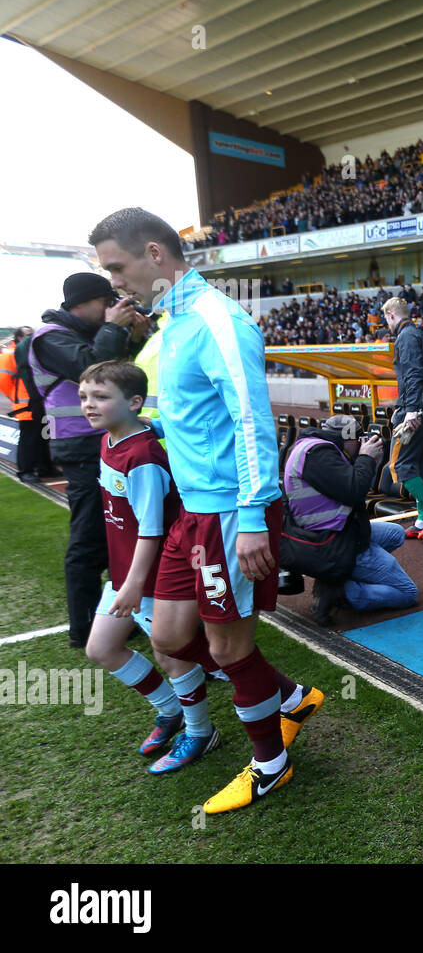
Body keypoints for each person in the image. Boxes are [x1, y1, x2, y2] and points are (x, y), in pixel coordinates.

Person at [91, 207, 322, 815]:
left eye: (117, 266)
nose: (113, 281)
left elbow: (251, 422)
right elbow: (198, 415)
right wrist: (153, 423)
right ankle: (290, 698)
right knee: (168, 635)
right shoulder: (173, 325)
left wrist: (251, 516)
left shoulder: (219, 319)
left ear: (156, 256)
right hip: (192, 514)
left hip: (226, 512)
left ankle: (270, 765)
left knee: (224, 649)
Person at [78, 360, 221, 774]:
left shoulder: (141, 456)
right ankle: (170, 710)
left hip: (156, 576)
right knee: (101, 648)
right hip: (127, 573)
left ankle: (199, 732)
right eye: (85, 396)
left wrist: (133, 585)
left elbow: (152, 532)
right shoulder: (110, 440)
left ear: (135, 402)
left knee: (174, 657)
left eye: (101, 397)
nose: (89, 404)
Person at [27, 272, 144, 649]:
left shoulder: (85, 332)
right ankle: (85, 629)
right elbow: (94, 371)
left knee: (120, 533)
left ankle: (122, 620)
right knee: (90, 538)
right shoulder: (49, 338)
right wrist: (113, 329)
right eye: (106, 301)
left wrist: (134, 336)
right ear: (86, 301)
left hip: (107, 443)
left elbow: (123, 377)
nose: (111, 307)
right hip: (81, 449)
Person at [282, 415, 417, 624]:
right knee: (407, 592)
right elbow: (354, 490)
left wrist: (363, 460)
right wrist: (366, 458)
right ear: (348, 439)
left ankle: (339, 578)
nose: (361, 443)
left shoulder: (313, 447)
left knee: (396, 533)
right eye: (359, 439)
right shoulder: (319, 455)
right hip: (333, 542)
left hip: (336, 529)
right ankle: (345, 592)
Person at [382, 296, 423, 538]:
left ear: (391, 314)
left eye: (385, 318)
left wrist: (411, 409)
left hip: (417, 410)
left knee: (399, 465)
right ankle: (422, 521)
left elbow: (413, 373)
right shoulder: (421, 335)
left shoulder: (406, 336)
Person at [2, 326, 55, 481]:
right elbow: (3, 380)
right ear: (18, 337)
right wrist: (15, 397)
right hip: (25, 403)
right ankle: (26, 471)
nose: (32, 336)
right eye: (28, 334)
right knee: (29, 438)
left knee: (43, 436)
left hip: (39, 401)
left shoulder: (33, 351)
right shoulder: (11, 354)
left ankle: (45, 468)